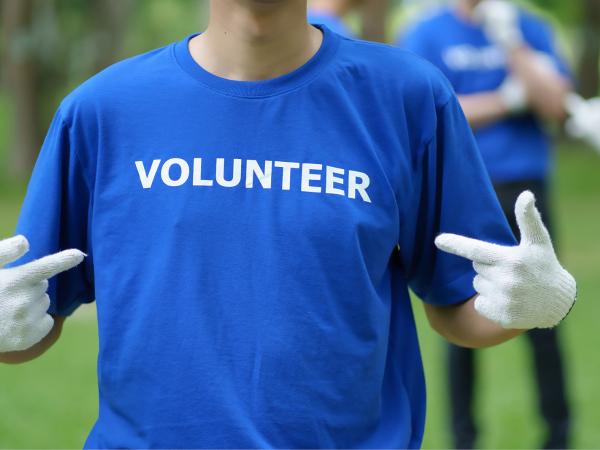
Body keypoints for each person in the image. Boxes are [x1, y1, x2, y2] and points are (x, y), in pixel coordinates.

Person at [0, 0, 577, 448]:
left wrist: (533, 304)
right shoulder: (104, 111)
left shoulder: (407, 98)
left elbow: (459, 304)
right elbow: (34, 318)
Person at [398, 0, 574, 448]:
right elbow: (429, 112)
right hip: (461, 189)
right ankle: (464, 436)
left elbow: (555, 103)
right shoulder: (426, 33)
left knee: (541, 314)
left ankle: (558, 434)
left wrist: (510, 40)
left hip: (525, 193)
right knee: (463, 311)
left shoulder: (528, 28)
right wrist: (507, 99)